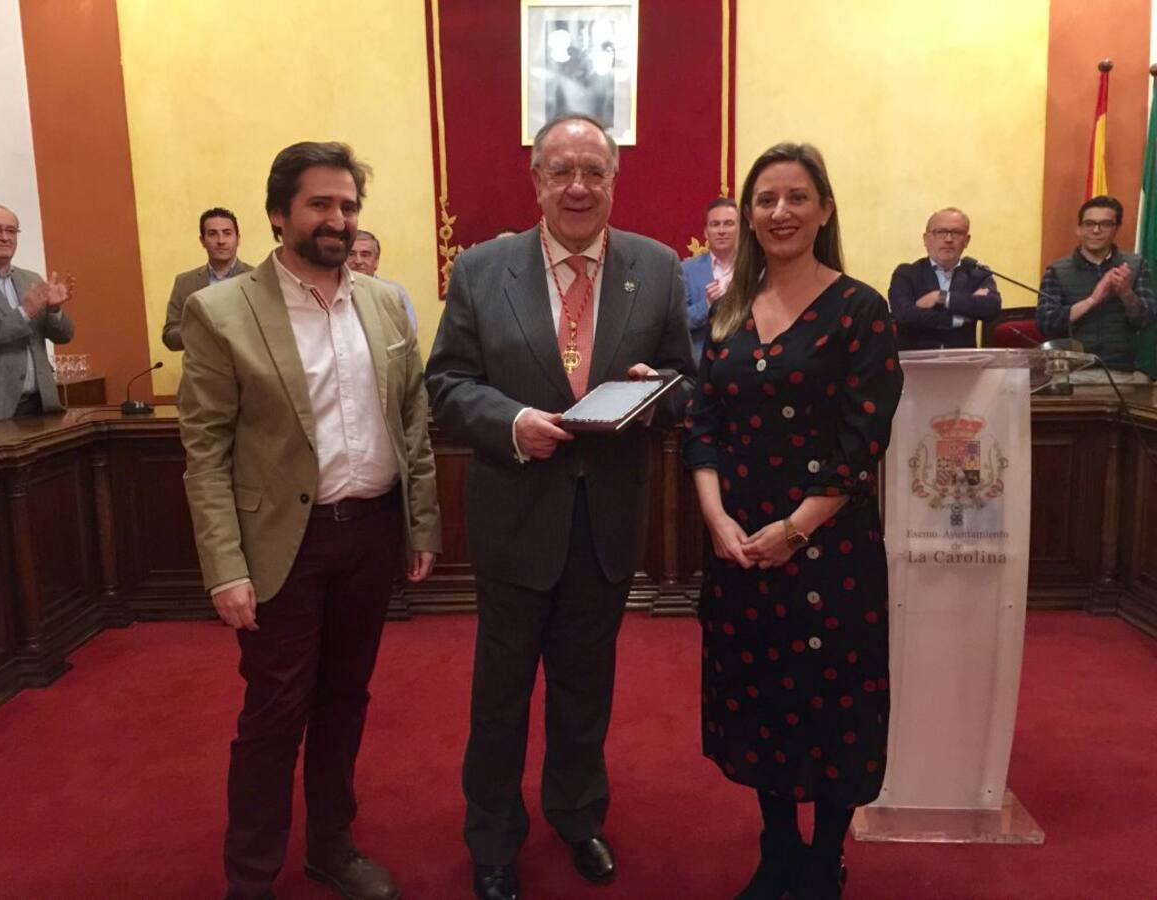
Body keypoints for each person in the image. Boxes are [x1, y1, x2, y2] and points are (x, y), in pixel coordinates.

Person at [426, 113, 696, 900]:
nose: (578, 187)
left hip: (605, 520)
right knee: (500, 697)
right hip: (514, 516)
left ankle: (578, 817)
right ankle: (493, 839)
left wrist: (657, 391)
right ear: (536, 180)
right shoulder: (482, 268)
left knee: (585, 690)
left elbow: (684, 380)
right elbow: (446, 384)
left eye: (593, 172)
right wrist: (510, 422)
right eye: (561, 171)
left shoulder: (657, 265)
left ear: (614, 180)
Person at [178, 141, 442, 900]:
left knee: (345, 701)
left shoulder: (384, 303)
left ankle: (332, 847)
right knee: (274, 713)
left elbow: (411, 420)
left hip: (370, 535)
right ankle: (250, 877)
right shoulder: (221, 311)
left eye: (348, 205)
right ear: (277, 214)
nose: (338, 219)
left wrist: (421, 524)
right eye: (320, 204)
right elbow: (204, 450)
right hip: (280, 546)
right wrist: (224, 566)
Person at [682, 143, 903, 900]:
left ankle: (824, 858)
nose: (780, 212)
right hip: (741, 550)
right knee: (760, 699)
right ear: (748, 215)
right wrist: (717, 519)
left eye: (797, 197)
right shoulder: (728, 312)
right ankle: (778, 847)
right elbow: (702, 425)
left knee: (834, 704)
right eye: (766, 199)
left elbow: (862, 442)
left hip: (829, 552)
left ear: (824, 210)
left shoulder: (861, 309)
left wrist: (796, 530)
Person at [0, 204, 74, 426]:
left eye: (11, 231)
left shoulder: (31, 279)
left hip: (42, 404)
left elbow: (64, 336)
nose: (5, 237)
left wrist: (54, 309)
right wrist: (24, 311)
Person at [1037, 194, 1157, 373]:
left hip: (1125, 371)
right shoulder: (1057, 271)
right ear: (1079, 229)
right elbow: (1047, 324)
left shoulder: (1136, 265)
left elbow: (1146, 321)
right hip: (1073, 373)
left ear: (1116, 229)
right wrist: (1092, 300)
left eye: (1105, 224)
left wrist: (1126, 294)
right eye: (1089, 224)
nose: (1096, 230)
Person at [887, 207, 1001, 350]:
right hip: (916, 360)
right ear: (926, 239)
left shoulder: (977, 274)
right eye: (940, 232)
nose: (948, 239)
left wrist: (941, 297)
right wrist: (959, 318)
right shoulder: (906, 274)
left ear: (966, 240)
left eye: (956, 233)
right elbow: (904, 315)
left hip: (962, 360)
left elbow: (991, 307)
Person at [162, 207, 254, 351]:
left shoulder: (256, 279)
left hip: (246, 365)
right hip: (202, 364)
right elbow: (170, 337)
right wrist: (202, 333)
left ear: (238, 239)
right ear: (202, 241)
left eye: (227, 233)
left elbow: (271, 331)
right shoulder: (184, 282)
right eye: (212, 234)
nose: (221, 241)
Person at [683, 197, 740, 359]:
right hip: (702, 363)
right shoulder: (686, 270)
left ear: (740, 229)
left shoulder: (756, 269)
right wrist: (707, 305)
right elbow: (676, 324)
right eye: (715, 224)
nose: (721, 231)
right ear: (706, 232)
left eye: (728, 223)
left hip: (745, 362)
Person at [344, 230, 417, 332]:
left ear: (376, 261)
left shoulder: (395, 293)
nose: (358, 261)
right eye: (351, 254)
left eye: (365, 255)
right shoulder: (335, 294)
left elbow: (408, 333)